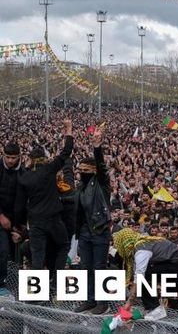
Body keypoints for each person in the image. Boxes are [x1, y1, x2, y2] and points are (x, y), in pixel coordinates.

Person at [14, 119, 74, 284]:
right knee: (63, 245)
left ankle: (36, 294)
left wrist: (19, 226)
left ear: (30, 159)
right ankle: (57, 280)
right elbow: (66, 152)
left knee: (37, 258)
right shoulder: (49, 169)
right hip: (54, 218)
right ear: (43, 158)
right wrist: (68, 129)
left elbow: (19, 205)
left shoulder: (25, 177)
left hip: (35, 222)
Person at [73, 126, 112, 315]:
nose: (82, 172)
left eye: (86, 169)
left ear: (94, 170)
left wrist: (97, 147)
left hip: (100, 231)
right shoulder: (80, 187)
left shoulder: (102, 184)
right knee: (85, 267)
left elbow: (102, 167)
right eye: (80, 169)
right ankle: (89, 300)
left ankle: (102, 302)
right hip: (85, 232)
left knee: (99, 268)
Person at [113, 227, 178, 321]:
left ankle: (155, 308)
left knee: (144, 278)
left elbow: (139, 277)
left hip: (175, 262)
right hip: (174, 260)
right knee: (171, 294)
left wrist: (129, 302)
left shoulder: (141, 249)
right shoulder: (142, 242)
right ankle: (173, 319)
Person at [0, 141, 22, 296]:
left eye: (13, 158)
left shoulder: (23, 172)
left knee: (15, 255)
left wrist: (18, 227)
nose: (10, 161)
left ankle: (13, 286)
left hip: (15, 221)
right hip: (1, 217)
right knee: (2, 250)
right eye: (7, 157)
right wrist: (1, 216)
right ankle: (1, 284)